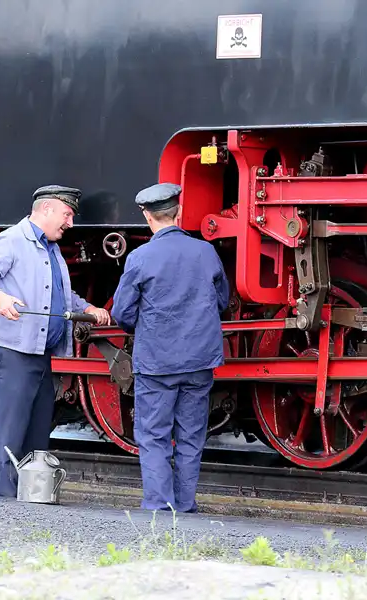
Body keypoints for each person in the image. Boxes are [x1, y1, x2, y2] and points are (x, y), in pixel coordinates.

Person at [0, 185, 111, 499]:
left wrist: (87, 309)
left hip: (40, 351)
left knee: (37, 427)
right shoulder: (11, 240)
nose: (70, 223)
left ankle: (31, 495)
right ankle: (5, 499)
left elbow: (60, 295)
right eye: (67, 214)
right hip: (12, 351)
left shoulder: (51, 249)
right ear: (46, 209)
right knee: (12, 429)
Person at [111, 182, 230, 513]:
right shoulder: (206, 252)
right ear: (178, 212)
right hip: (199, 361)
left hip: (157, 363)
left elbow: (122, 313)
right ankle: (186, 504)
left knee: (154, 435)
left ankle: (160, 507)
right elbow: (222, 301)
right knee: (191, 436)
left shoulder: (140, 257)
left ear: (148, 217)